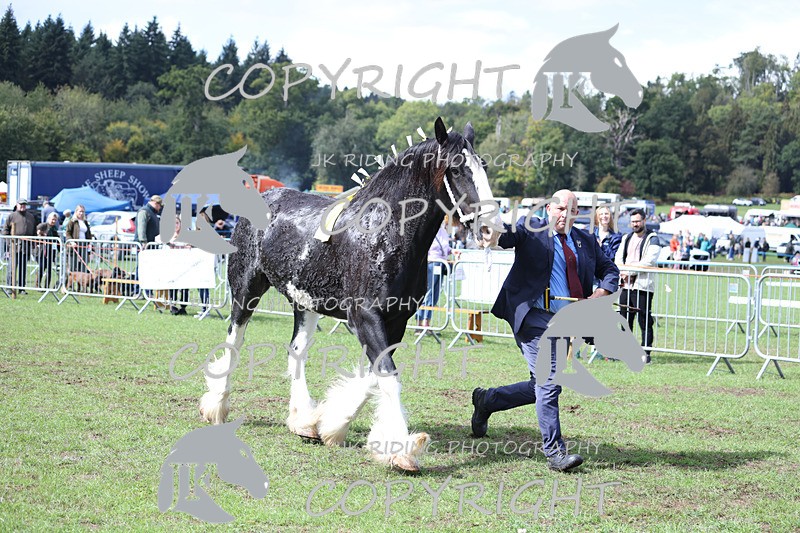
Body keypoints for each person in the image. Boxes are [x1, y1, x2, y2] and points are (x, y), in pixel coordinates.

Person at [470, 190, 619, 472]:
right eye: (561, 208)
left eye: (572, 211)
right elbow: (507, 236)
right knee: (548, 383)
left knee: (540, 386)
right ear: (549, 208)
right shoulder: (533, 227)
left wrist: (600, 293)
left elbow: (609, 269)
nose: (565, 214)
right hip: (533, 317)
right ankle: (555, 454)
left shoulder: (585, 240)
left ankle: (487, 400)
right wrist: (493, 236)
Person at [614, 208, 660, 364]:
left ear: (644, 221)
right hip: (625, 286)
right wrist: (624, 271)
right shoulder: (626, 238)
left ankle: (645, 352)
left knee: (644, 319)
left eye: (638, 221)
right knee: (625, 320)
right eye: (633, 221)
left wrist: (630, 271)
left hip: (643, 286)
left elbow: (649, 261)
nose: (635, 224)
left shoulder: (652, 238)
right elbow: (618, 258)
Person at [416, 220, 451, 329]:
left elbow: (445, 248)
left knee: (434, 295)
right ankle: (420, 323)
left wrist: (452, 251)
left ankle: (426, 323)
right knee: (428, 294)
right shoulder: (430, 229)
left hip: (441, 264)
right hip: (431, 264)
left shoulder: (443, 232)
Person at [3, 198, 37, 291]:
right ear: (17, 205)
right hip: (14, 246)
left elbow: (34, 231)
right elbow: (5, 230)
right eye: (21, 204)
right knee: (12, 268)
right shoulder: (11, 216)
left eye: (24, 204)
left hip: (26, 246)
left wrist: (33, 243)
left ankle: (22, 288)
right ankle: (9, 287)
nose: (23, 206)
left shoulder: (30, 217)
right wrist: (9, 242)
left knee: (23, 268)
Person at [64, 205, 94, 273]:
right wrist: (72, 242)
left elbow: (88, 234)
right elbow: (68, 233)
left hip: (84, 245)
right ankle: (69, 282)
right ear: (76, 212)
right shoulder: (72, 221)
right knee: (72, 265)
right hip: (74, 245)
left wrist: (90, 243)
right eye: (80, 211)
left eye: (83, 211)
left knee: (84, 264)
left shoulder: (85, 222)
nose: (81, 213)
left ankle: (82, 281)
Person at [35, 213, 60, 288]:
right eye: (52, 219)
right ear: (48, 219)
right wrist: (41, 235)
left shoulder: (54, 228)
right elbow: (36, 233)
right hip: (42, 251)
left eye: (55, 220)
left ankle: (47, 286)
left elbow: (57, 239)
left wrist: (60, 248)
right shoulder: (43, 225)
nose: (53, 221)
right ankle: (38, 284)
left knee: (49, 270)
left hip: (51, 251)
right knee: (42, 268)